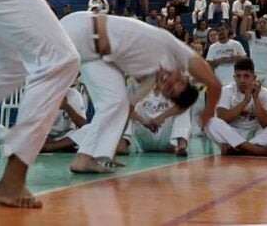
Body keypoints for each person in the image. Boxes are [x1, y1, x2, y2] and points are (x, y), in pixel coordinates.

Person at [58, 12, 220, 174]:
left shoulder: (148, 81)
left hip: (91, 54)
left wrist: (109, 149)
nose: (169, 82)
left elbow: (126, 109)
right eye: (178, 81)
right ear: (185, 76)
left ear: (164, 94)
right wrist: (208, 113)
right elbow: (214, 84)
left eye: (169, 90)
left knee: (117, 102)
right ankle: (86, 156)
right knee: (113, 101)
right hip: (79, 29)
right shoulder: (177, 51)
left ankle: (90, 157)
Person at [205, 59, 267, 156]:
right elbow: (222, 118)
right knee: (210, 122)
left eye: (246, 76)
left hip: (257, 134)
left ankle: (239, 149)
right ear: (234, 77)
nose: (241, 80)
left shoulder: (264, 93)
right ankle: (254, 149)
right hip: (234, 133)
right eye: (238, 76)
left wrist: (255, 98)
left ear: (254, 77)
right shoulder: (226, 91)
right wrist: (245, 101)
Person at [129, 82, 193, 156]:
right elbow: (128, 109)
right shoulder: (138, 88)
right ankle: (123, 142)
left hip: (167, 140)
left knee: (184, 105)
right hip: (144, 136)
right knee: (125, 106)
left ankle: (182, 146)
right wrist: (143, 121)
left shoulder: (174, 89)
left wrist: (162, 117)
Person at [240, 16, 267, 88]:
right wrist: (245, 15)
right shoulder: (252, 36)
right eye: (259, 22)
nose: (261, 24)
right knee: (256, 97)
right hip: (256, 73)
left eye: (264, 22)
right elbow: (242, 33)